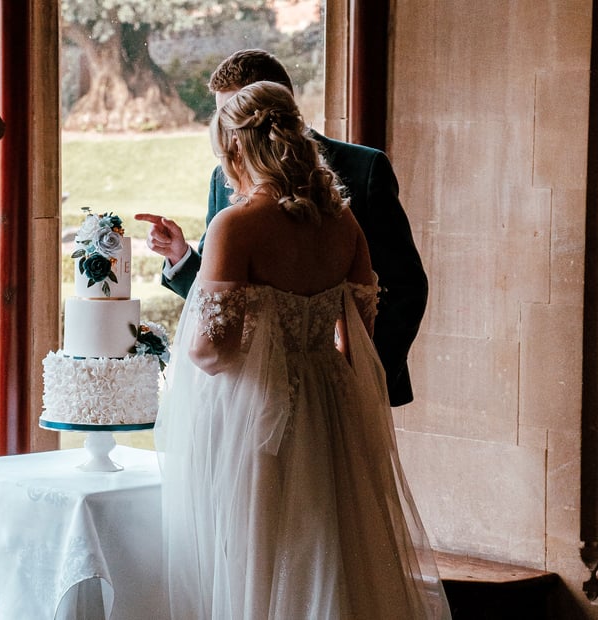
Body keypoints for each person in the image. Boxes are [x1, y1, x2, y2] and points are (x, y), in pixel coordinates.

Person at [154, 80, 450, 618]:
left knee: (262, 551)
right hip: (332, 407)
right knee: (334, 547)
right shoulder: (343, 222)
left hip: (258, 410)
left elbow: (211, 351)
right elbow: (359, 332)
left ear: (237, 147)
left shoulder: (235, 226)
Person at [136, 49, 427, 407]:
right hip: (253, 393)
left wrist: (363, 381)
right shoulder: (222, 180)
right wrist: (181, 256)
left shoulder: (363, 169)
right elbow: (224, 298)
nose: (227, 139)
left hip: (333, 392)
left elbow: (405, 287)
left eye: (234, 120)